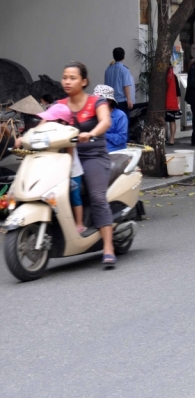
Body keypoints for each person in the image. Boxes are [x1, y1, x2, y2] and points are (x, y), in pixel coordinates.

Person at [57, 63, 116, 266]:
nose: (67, 81)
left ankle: (108, 247)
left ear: (84, 81)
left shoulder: (96, 101)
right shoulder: (60, 105)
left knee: (97, 197)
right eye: (65, 77)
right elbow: (44, 122)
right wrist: (23, 138)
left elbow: (105, 121)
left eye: (72, 77)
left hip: (93, 155)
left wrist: (91, 133)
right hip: (66, 157)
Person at [36, 103, 86, 233]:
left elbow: (69, 156)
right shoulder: (49, 132)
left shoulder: (68, 134)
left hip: (71, 171)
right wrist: (45, 120)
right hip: (55, 170)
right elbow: (36, 131)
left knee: (74, 197)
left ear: (61, 122)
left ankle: (79, 223)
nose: (47, 122)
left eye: (51, 119)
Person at [93, 85, 128, 152]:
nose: (96, 103)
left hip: (115, 153)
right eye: (95, 100)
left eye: (100, 100)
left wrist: (101, 133)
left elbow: (121, 138)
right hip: (97, 152)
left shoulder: (120, 115)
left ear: (109, 101)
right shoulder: (94, 115)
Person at [103, 47, 135, 116]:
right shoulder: (124, 69)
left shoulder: (108, 70)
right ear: (124, 56)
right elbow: (126, 85)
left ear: (113, 56)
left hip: (110, 101)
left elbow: (106, 86)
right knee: (123, 121)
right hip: (121, 101)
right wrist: (129, 99)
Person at [165, 67, 181, 146]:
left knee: (164, 120)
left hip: (164, 100)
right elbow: (177, 90)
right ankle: (172, 139)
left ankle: (165, 138)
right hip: (172, 101)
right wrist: (178, 100)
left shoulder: (162, 75)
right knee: (172, 120)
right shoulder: (173, 76)